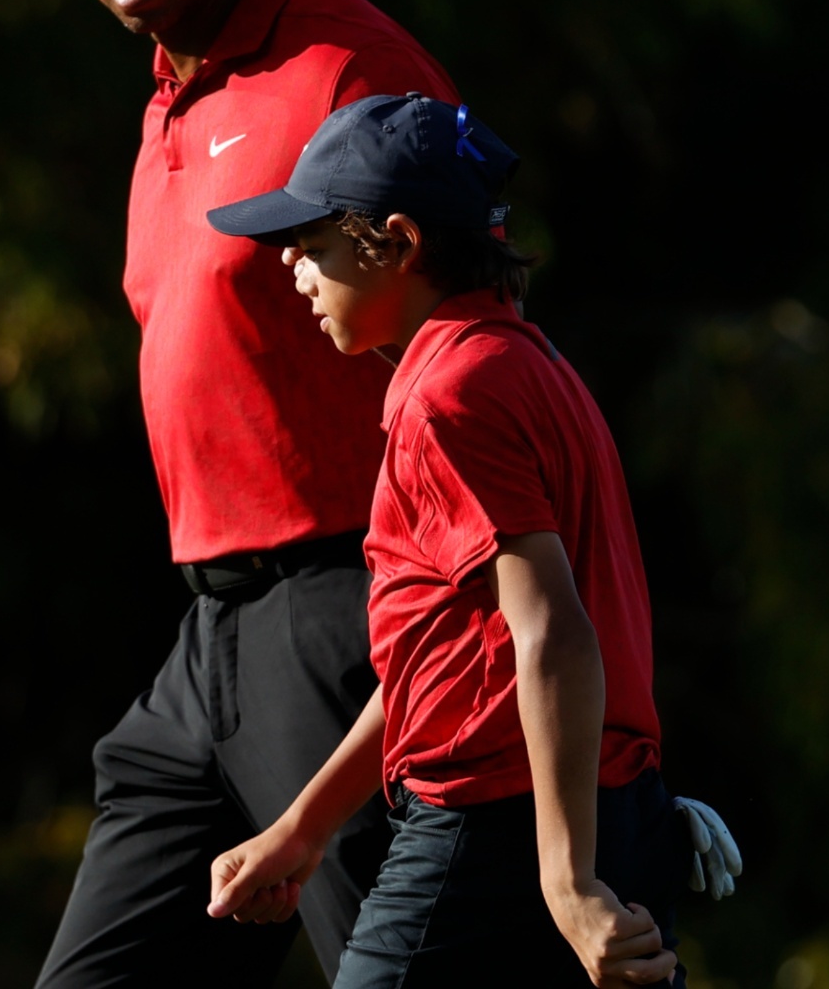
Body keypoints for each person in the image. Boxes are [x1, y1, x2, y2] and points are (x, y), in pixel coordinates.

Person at [25, 0, 463, 987]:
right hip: (208, 637)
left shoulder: (343, 74)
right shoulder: (168, 100)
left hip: (348, 614)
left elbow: (473, 339)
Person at [201, 93, 740, 987]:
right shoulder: (526, 363)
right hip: (601, 811)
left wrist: (567, 884)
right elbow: (441, 666)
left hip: (492, 831)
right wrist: (303, 830)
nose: (290, 262)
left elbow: (554, 634)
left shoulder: (450, 397)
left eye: (317, 242)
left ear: (401, 243)